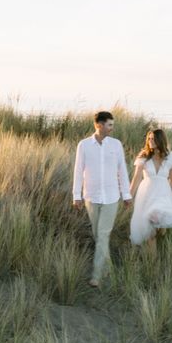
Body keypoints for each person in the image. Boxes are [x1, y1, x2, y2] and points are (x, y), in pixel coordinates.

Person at [72, 111, 133, 287]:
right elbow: (78, 171)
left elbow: (122, 171)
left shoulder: (116, 145)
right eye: (109, 125)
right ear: (98, 125)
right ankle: (109, 270)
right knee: (98, 236)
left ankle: (97, 276)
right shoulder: (84, 145)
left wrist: (126, 195)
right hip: (91, 196)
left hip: (112, 197)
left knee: (103, 234)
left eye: (112, 125)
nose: (112, 128)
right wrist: (76, 196)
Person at [129, 128, 172, 253]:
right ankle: (152, 265)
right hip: (147, 194)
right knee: (150, 231)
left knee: (161, 229)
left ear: (160, 140)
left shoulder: (170, 158)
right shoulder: (144, 157)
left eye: (153, 139)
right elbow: (136, 178)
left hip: (163, 194)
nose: (150, 141)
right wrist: (129, 196)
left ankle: (161, 230)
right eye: (149, 139)